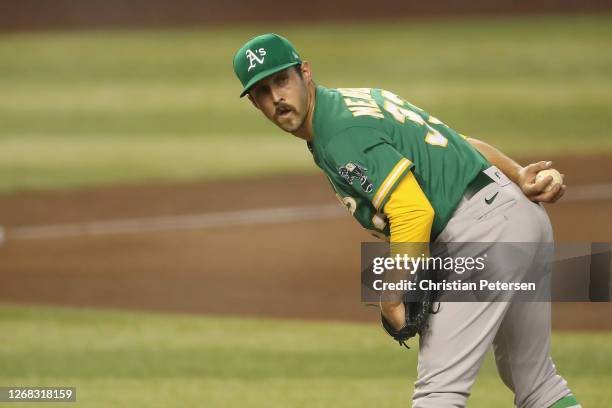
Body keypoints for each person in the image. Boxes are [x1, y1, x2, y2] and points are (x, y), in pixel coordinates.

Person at [232, 33, 581, 408]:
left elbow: (414, 212)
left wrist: (391, 295)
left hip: (483, 235)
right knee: (537, 382)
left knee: (438, 394)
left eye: (281, 81)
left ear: (304, 73)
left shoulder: (339, 133)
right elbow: (451, 140)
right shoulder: (356, 101)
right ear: (254, 103)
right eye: (262, 92)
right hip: (518, 218)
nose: (276, 98)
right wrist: (516, 172)